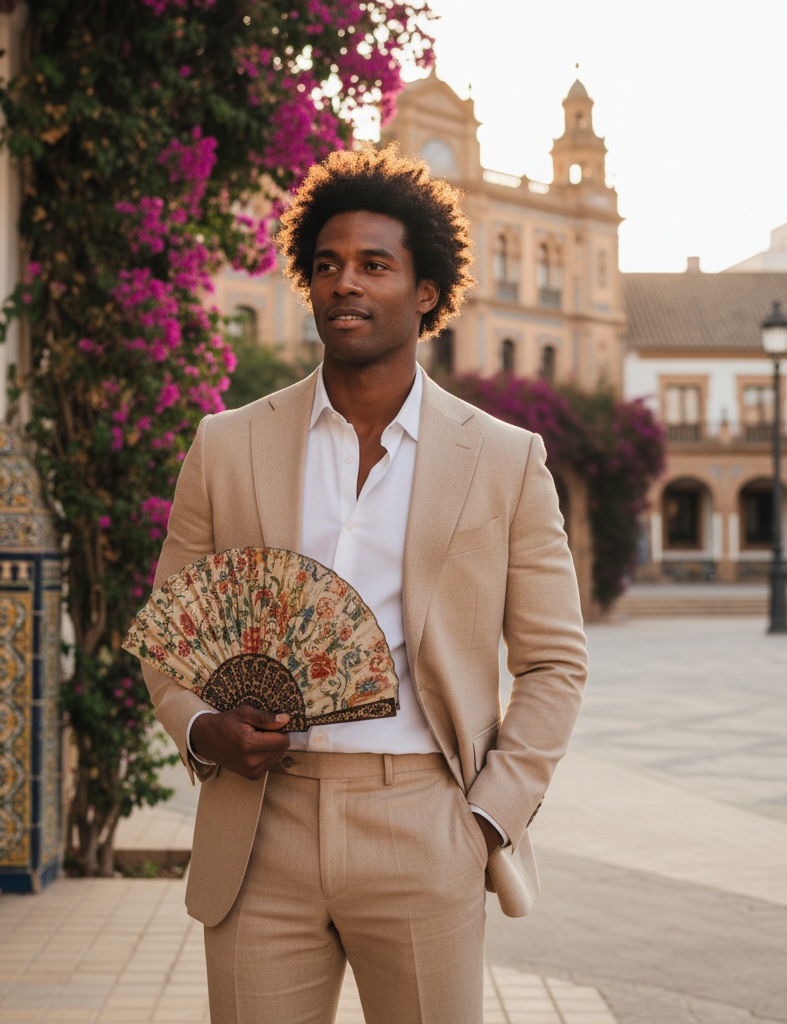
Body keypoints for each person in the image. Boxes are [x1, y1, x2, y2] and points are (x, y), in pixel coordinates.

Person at [140, 145, 588, 1024]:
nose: (346, 283)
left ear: (426, 293)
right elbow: (169, 637)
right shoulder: (226, 447)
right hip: (258, 828)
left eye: (374, 265)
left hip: (426, 823)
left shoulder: (504, 460)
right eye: (328, 265)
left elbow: (555, 664)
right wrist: (202, 728)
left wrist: (486, 819)